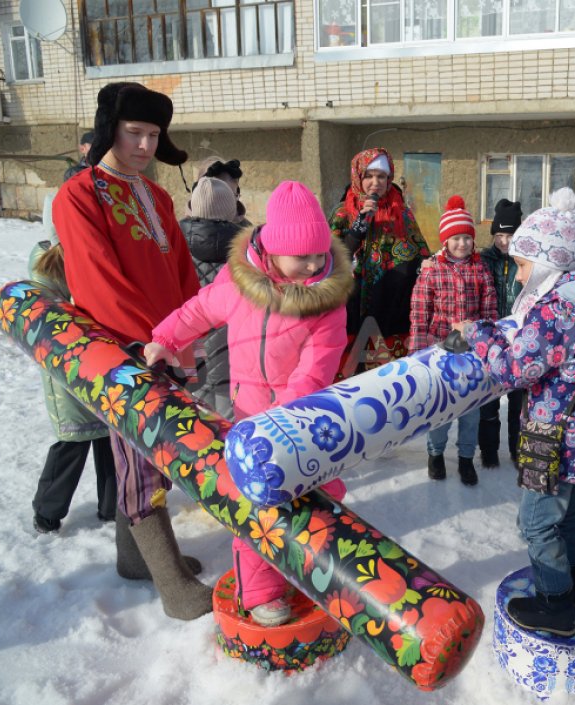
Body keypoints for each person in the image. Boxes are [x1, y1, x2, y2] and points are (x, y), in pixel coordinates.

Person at [145, 181, 354, 627]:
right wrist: (165, 339)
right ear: (274, 252)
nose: (316, 264)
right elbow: (200, 309)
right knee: (258, 505)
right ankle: (259, 591)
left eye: (320, 255)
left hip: (299, 421)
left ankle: (316, 572)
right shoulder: (239, 283)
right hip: (250, 419)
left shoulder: (327, 303)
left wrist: (286, 419)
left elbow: (317, 368)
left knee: (317, 499)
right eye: (304, 257)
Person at [52, 82, 213, 620]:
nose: (145, 145)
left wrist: (188, 333)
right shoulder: (78, 195)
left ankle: (134, 559)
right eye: (134, 132)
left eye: (153, 135)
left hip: (165, 346)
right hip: (119, 352)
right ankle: (173, 588)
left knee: (154, 454)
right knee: (140, 460)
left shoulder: (159, 196)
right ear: (109, 131)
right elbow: (98, 282)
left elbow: (185, 275)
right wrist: (150, 342)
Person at [453, 188, 575, 636]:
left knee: (537, 524)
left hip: (553, 442)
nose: (516, 277)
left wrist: (480, 332)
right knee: (572, 516)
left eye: (523, 265)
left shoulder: (554, 315)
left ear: (551, 264)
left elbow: (512, 370)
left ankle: (556, 607)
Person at [30, 194, 117, 533]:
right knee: (73, 440)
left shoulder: (85, 255)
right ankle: (47, 512)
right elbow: (47, 321)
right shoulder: (45, 263)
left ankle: (112, 507)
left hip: (98, 360)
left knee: (109, 438)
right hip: (65, 366)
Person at [410, 196, 497, 486]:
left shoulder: (480, 269)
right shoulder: (432, 269)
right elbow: (420, 311)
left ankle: (465, 458)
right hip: (439, 351)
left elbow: (489, 309)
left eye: (467, 238)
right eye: (455, 238)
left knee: (470, 411)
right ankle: (435, 454)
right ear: (445, 241)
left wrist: (487, 339)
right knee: (442, 408)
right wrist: (418, 353)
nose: (462, 244)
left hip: (472, 352)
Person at [329, 147, 430, 376]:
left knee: (385, 385)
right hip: (350, 309)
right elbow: (332, 260)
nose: (375, 183)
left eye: (381, 176)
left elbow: (418, 252)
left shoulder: (402, 214)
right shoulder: (342, 213)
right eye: (369, 176)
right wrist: (359, 226)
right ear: (358, 177)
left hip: (389, 309)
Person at [178, 176, 241, 419]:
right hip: (232, 347)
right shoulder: (246, 247)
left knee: (196, 417)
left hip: (190, 345)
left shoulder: (174, 244)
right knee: (230, 417)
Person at [478, 198, 524, 468]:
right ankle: (488, 450)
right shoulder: (484, 260)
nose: (505, 241)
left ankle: (518, 450)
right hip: (491, 339)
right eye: (500, 235)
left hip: (519, 338)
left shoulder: (526, 261)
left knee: (518, 402)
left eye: (511, 235)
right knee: (489, 401)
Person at [186, 156, 249, 224]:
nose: (229, 203)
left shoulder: (247, 230)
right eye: (220, 196)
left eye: (234, 196)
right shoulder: (181, 231)